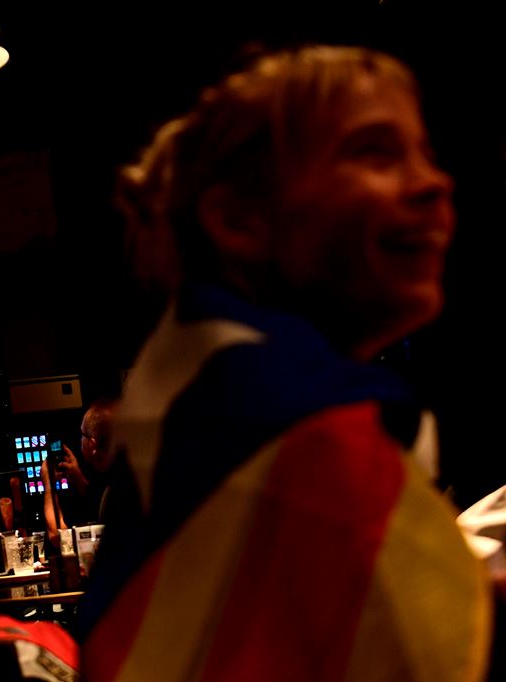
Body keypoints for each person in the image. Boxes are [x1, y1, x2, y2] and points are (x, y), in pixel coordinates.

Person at [78, 45, 494, 680]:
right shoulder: (305, 436)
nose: (435, 183)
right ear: (239, 219)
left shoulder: (200, 409)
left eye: (427, 155)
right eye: (376, 152)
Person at [41, 400, 117, 548]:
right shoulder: (120, 478)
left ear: (92, 444)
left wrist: (49, 485)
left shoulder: (116, 492)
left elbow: (59, 537)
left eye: (83, 435)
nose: (80, 439)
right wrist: (78, 479)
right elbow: (98, 500)